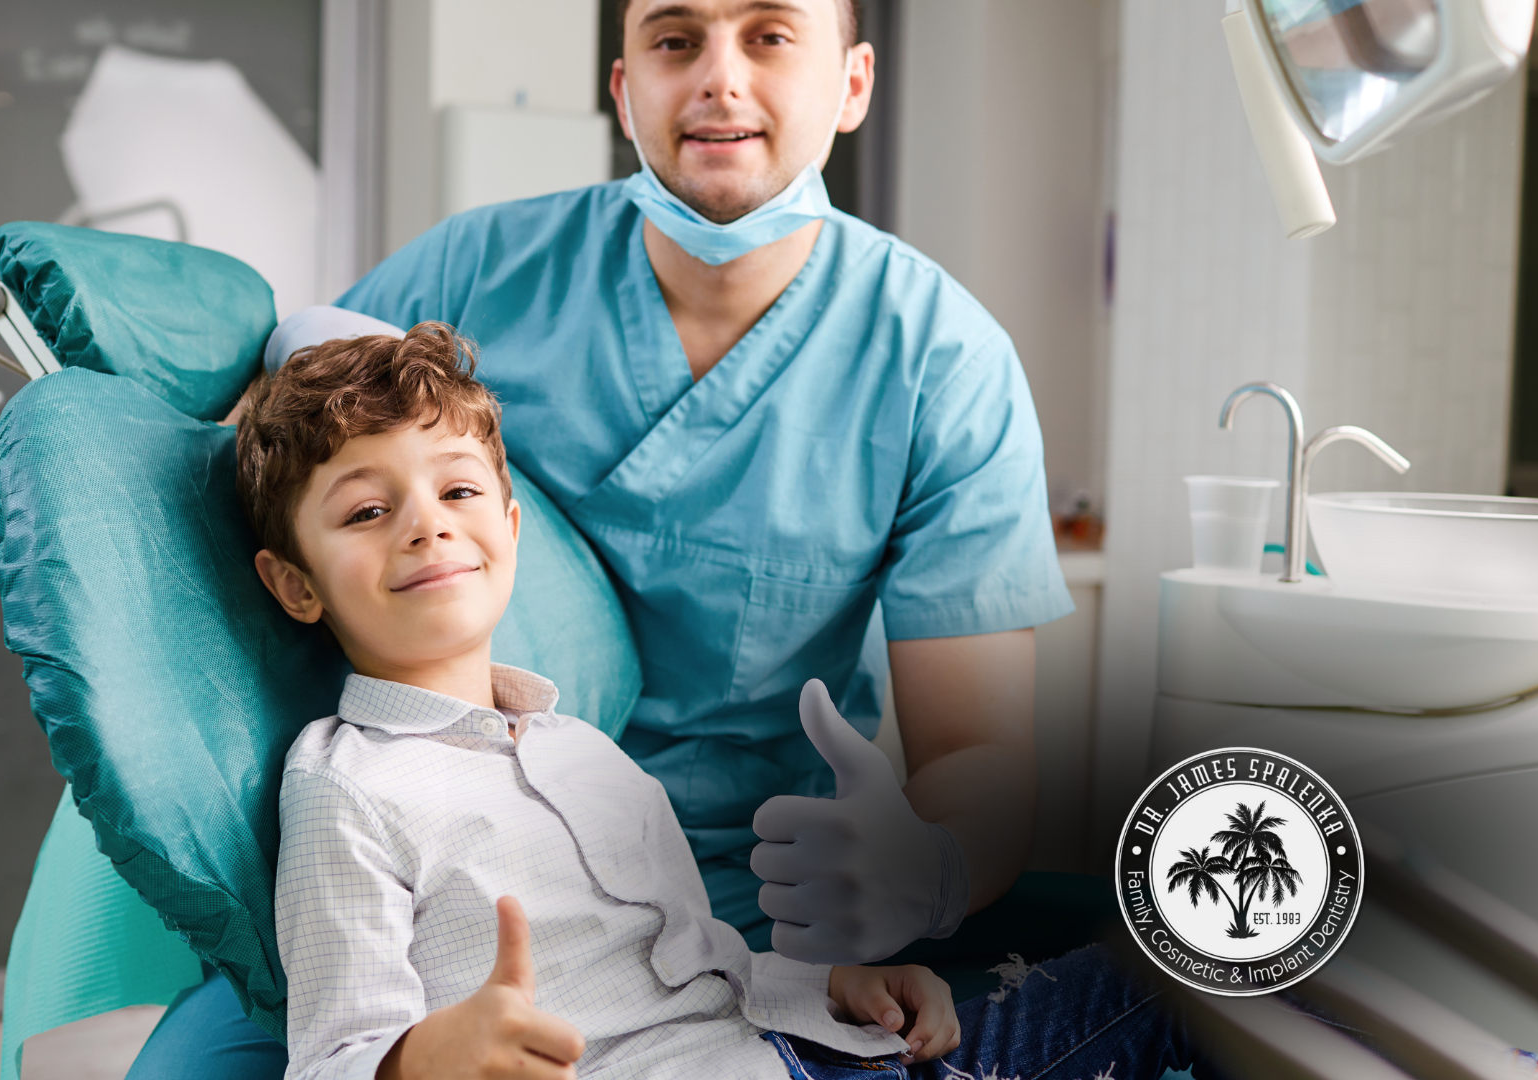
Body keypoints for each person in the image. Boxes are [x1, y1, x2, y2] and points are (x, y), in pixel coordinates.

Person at [130, 0, 1076, 1073]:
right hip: (441, 895)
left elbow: (982, 754)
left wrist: (930, 864)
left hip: (747, 916)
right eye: (675, 40)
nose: (719, 78)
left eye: (769, 34)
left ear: (852, 84)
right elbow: (283, 441)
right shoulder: (478, 273)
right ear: (625, 89)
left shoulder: (940, 361)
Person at [236, 323, 1209, 1080]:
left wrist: (836, 986)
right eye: (368, 510)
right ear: (294, 584)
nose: (424, 527)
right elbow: (333, 1056)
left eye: (457, 492)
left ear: (511, 525)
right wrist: (430, 1060)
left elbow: (706, 964)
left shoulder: (581, 749)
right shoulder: (346, 788)